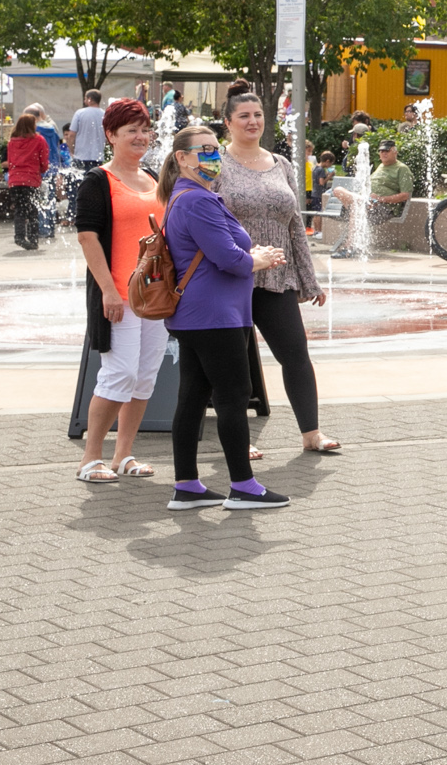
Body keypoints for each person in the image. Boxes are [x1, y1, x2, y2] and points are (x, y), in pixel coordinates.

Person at [158, 126, 290, 510]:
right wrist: (258, 259)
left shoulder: (186, 196)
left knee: (193, 397)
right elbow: (229, 259)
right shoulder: (196, 200)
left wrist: (250, 255)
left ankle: (187, 486)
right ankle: (243, 487)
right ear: (182, 158)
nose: (214, 157)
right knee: (233, 397)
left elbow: (220, 250)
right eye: (205, 151)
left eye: (216, 150)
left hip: (199, 315)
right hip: (215, 316)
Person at [220, 84, 340, 455]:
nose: (252, 121)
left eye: (257, 115)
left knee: (296, 355)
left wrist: (309, 278)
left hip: (276, 277)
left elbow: (295, 228)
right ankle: (239, 440)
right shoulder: (215, 164)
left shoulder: (282, 164)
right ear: (228, 123)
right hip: (230, 276)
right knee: (233, 364)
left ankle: (311, 434)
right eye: (244, 116)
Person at [72, 100, 164, 484]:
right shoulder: (98, 180)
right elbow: (87, 236)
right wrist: (108, 291)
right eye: (131, 130)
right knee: (118, 374)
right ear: (111, 135)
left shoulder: (155, 177)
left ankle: (123, 455)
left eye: (145, 129)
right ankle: (91, 457)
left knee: (144, 376)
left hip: (155, 296)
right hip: (120, 296)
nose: (141, 137)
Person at [329, 139, 413, 257]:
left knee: (356, 207)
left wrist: (380, 199)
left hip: (383, 208)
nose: (384, 153)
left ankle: (350, 248)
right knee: (338, 191)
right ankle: (353, 246)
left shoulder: (402, 168)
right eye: (381, 151)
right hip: (368, 204)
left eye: (387, 151)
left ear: (395, 152)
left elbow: (405, 195)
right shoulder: (380, 167)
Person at [5, 111, 49, 251]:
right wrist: (42, 170)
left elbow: (10, 161)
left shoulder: (12, 142)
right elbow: (44, 162)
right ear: (31, 125)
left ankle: (19, 236)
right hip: (31, 180)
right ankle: (33, 239)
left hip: (15, 180)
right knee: (33, 211)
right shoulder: (39, 140)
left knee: (19, 209)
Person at [67, 89, 108, 170]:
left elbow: (71, 135)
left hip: (81, 156)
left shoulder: (80, 113)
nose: (84, 100)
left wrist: (72, 150)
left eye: (85, 98)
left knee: (80, 181)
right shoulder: (105, 115)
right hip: (98, 157)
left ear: (89, 99)